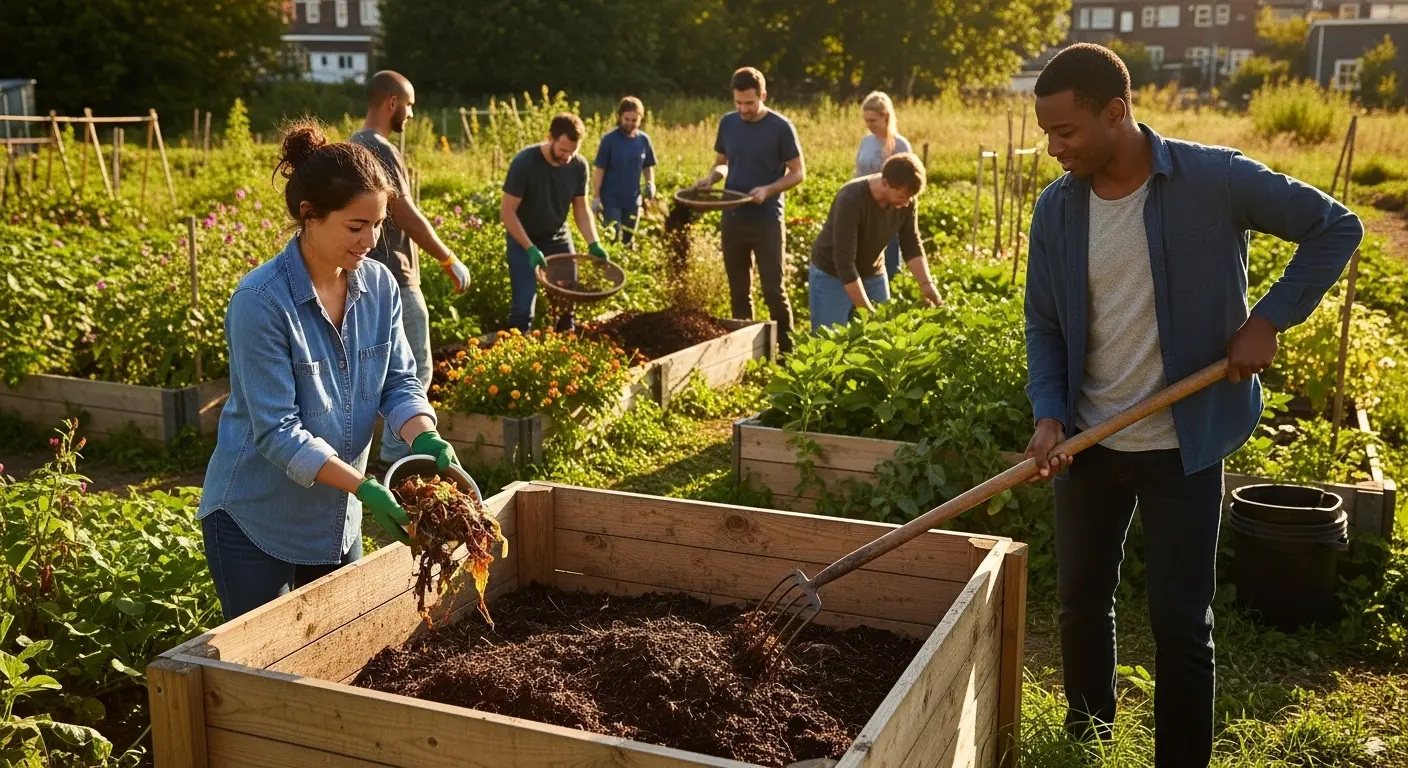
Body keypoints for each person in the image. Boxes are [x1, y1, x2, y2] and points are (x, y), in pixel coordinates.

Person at [1023, 44, 1361, 767]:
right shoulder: (1056, 211)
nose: (1053, 149)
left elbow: (1336, 226)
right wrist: (1050, 414)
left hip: (1184, 444)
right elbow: (1045, 323)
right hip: (1088, 443)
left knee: (1180, 624)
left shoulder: (1214, 179)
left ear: (1116, 113)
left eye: (1066, 132)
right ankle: (1088, 744)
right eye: (1046, 133)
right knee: (1082, 604)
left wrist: (1268, 318)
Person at [198, 122, 464, 622]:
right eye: (355, 225)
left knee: (339, 661)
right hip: (257, 521)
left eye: (379, 224)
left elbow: (398, 381)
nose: (370, 239)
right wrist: (363, 485)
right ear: (309, 215)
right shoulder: (260, 302)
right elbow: (277, 432)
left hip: (335, 519)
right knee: (265, 671)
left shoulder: (379, 286)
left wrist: (423, 436)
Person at [349, 70, 470, 469]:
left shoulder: (353, 145)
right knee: (414, 373)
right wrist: (448, 258)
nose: (412, 113)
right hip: (395, 275)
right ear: (391, 103)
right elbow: (406, 215)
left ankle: (386, 459)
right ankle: (399, 464)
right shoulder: (379, 148)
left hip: (365, 274)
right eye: (410, 104)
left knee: (380, 371)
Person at [694, 66, 805, 354]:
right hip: (733, 218)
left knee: (773, 290)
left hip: (766, 220)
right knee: (739, 291)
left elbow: (797, 173)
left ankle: (785, 352)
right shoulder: (728, 123)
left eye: (749, 103)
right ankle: (745, 354)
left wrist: (768, 190)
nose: (743, 109)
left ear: (763, 96)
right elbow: (723, 161)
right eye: (738, 103)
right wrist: (712, 177)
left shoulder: (780, 127)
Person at [500, 112, 610, 333]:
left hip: (557, 237)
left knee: (568, 301)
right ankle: (517, 349)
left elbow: (580, 207)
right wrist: (530, 248)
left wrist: (593, 243)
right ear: (549, 137)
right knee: (524, 306)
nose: (568, 157)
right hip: (524, 239)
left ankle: (564, 343)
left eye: (573, 151)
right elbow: (507, 212)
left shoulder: (578, 166)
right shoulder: (525, 162)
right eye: (563, 150)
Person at [809, 153, 941, 330]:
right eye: (902, 197)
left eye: (910, 198)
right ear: (885, 183)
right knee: (828, 340)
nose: (906, 203)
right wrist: (867, 311)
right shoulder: (850, 199)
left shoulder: (906, 199)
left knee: (881, 339)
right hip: (832, 274)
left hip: (873, 272)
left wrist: (927, 284)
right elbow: (844, 262)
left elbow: (911, 242)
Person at [854, 92, 913, 281]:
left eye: (873, 120)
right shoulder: (866, 141)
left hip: (889, 208)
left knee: (890, 260)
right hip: (864, 206)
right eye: (866, 120)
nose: (869, 125)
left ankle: (892, 297)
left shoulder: (900, 145)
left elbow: (909, 181)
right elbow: (858, 173)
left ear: (885, 117)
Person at [592, 96, 657, 246]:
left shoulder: (643, 140)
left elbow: (648, 166)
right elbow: (599, 170)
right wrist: (596, 197)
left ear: (640, 119)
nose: (630, 123)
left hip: (632, 200)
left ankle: (626, 268)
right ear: (619, 117)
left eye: (634, 120)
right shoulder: (609, 140)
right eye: (627, 119)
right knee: (614, 238)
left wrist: (650, 183)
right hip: (611, 199)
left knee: (629, 240)